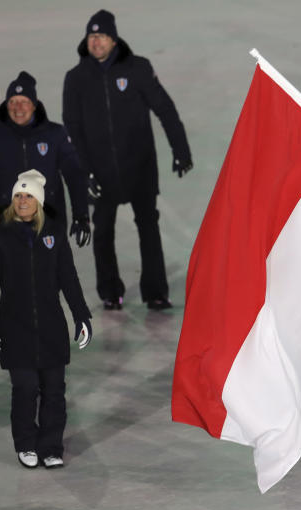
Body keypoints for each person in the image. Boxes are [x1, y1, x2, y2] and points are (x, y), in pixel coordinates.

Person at [63, 9, 193, 311]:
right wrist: (83, 172)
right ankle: (110, 291)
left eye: (102, 36)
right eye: (92, 36)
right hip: (100, 173)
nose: (96, 42)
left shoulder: (137, 68)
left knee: (148, 227)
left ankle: (155, 292)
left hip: (140, 169)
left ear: (114, 39)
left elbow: (165, 109)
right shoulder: (76, 78)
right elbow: (72, 128)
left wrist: (181, 150)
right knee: (103, 230)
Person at [0, 170, 92, 469]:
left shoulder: (53, 234)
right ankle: (26, 443)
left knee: (54, 389)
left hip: (51, 326)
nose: (23, 200)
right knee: (25, 388)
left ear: (38, 202)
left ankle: (51, 446)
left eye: (28, 196)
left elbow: (68, 278)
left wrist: (82, 316)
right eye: (18, 196)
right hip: (15, 328)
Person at [0, 71, 89, 268]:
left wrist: (81, 215)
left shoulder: (55, 135)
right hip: (9, 225)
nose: (18, 108)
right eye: (13, 102)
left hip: (49, 224)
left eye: (23, 101)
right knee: (15, 291)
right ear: (6, 105)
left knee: (49, 288)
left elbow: (74, 176)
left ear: (34, 104)